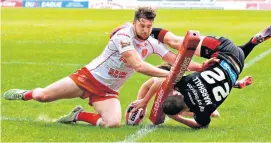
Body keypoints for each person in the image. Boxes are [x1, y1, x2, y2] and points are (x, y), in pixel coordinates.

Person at [3, 7, 206, 128]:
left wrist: (201, 66)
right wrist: (171, 75)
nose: (146, 30)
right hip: (88, 78)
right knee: (43, 97)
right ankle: (26, 94)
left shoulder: (152, 42)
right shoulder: (123, 36)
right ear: (135, 23)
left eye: (149, 27)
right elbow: (138, 65)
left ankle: (78, 115)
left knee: (112, 124)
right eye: (142, 25)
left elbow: (175, 59)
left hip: (109, 91)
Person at [131, 25, 271, 128]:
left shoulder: (202, 111)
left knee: (232, 62)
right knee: (176, 42)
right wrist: (144, 102)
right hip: (223, 48)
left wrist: (177, 117)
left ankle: (251, 44)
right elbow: (161, 82)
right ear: (177, 94)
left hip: (237, 66)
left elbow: (201, 124)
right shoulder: (185, 83)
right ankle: (137, 32)